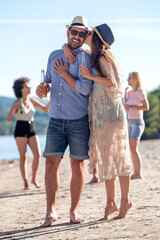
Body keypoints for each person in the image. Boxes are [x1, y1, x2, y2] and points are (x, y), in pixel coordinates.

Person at [58, 24, 132, 220]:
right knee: (106, 161)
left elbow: (114, 83)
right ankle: (110, 203)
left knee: (119, 159)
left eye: (89, 33)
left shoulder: (103, 57)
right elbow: (74, 47)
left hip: (111, 113)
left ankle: (125, 201)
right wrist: (65, 47)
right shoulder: (93, 56)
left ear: (96, 37)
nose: (86, 34)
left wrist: (90, 76)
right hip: (100, 114)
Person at [36, 16, 92, 227]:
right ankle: (50, 212)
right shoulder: (54, 55)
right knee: (51, 164)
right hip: (55, 121)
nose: (77, 36)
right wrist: (43, 89)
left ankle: (74, 211)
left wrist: (64, 73)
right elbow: (48, 81)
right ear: (67, 32)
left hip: (78, 120)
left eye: (81, 33)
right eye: (74, 32)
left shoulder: (86, 58)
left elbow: (85, 89)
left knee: (77, 166)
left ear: (85, 36)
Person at [7, 77, 50, 190]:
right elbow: (8, 118)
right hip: (20, 129)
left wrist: (50, 100)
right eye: (27, 86)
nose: (30, 88)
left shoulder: (32, 100)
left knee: (37, 155)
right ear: (21, 89)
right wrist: (13, 109)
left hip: (31, 128)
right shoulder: (16, 103)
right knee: (23, 157)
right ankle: (25, 182)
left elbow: (45, 109)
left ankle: (33, 179)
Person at [124, 72, 149, 179]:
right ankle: (136, 172)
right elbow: (126, 107)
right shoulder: (129, 92)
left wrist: (131, 106)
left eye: (129, 78)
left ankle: (138, 173)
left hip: (137, 122)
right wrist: (125, 95)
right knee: (131, 149)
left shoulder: (140, 92)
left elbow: (146, 107)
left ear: (134, 79)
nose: (127, 80)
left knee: (134, 149)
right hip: (129, 122)